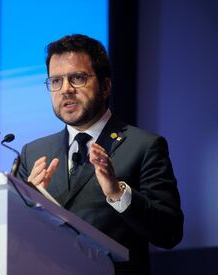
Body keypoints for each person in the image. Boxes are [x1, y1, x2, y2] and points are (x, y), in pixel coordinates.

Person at [17, 34, 184, 275]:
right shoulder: (33, 153)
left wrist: (118, 194)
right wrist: (27, 207)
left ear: (105, 87)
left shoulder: (144, 146)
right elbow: (23, 241)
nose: (65, 90)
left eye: (77, 78)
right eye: (56, 81)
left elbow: (169, 233)